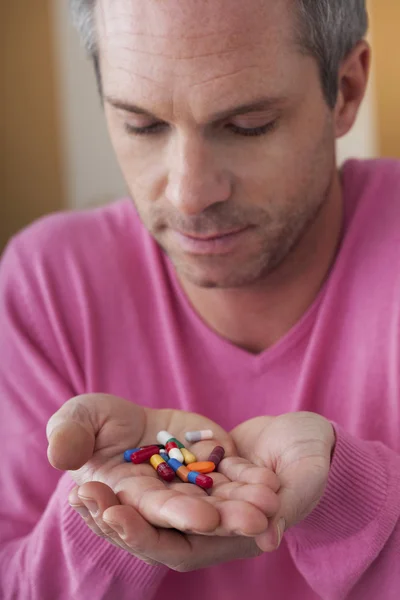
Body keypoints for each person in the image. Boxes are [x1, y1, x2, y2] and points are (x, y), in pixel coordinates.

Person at [0, 0, 399, 598]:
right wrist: (101, 521)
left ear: (344, 91)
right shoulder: (47, 283)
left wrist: (344, 494)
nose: (189, 195)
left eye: (248, 126)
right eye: (142, 125)